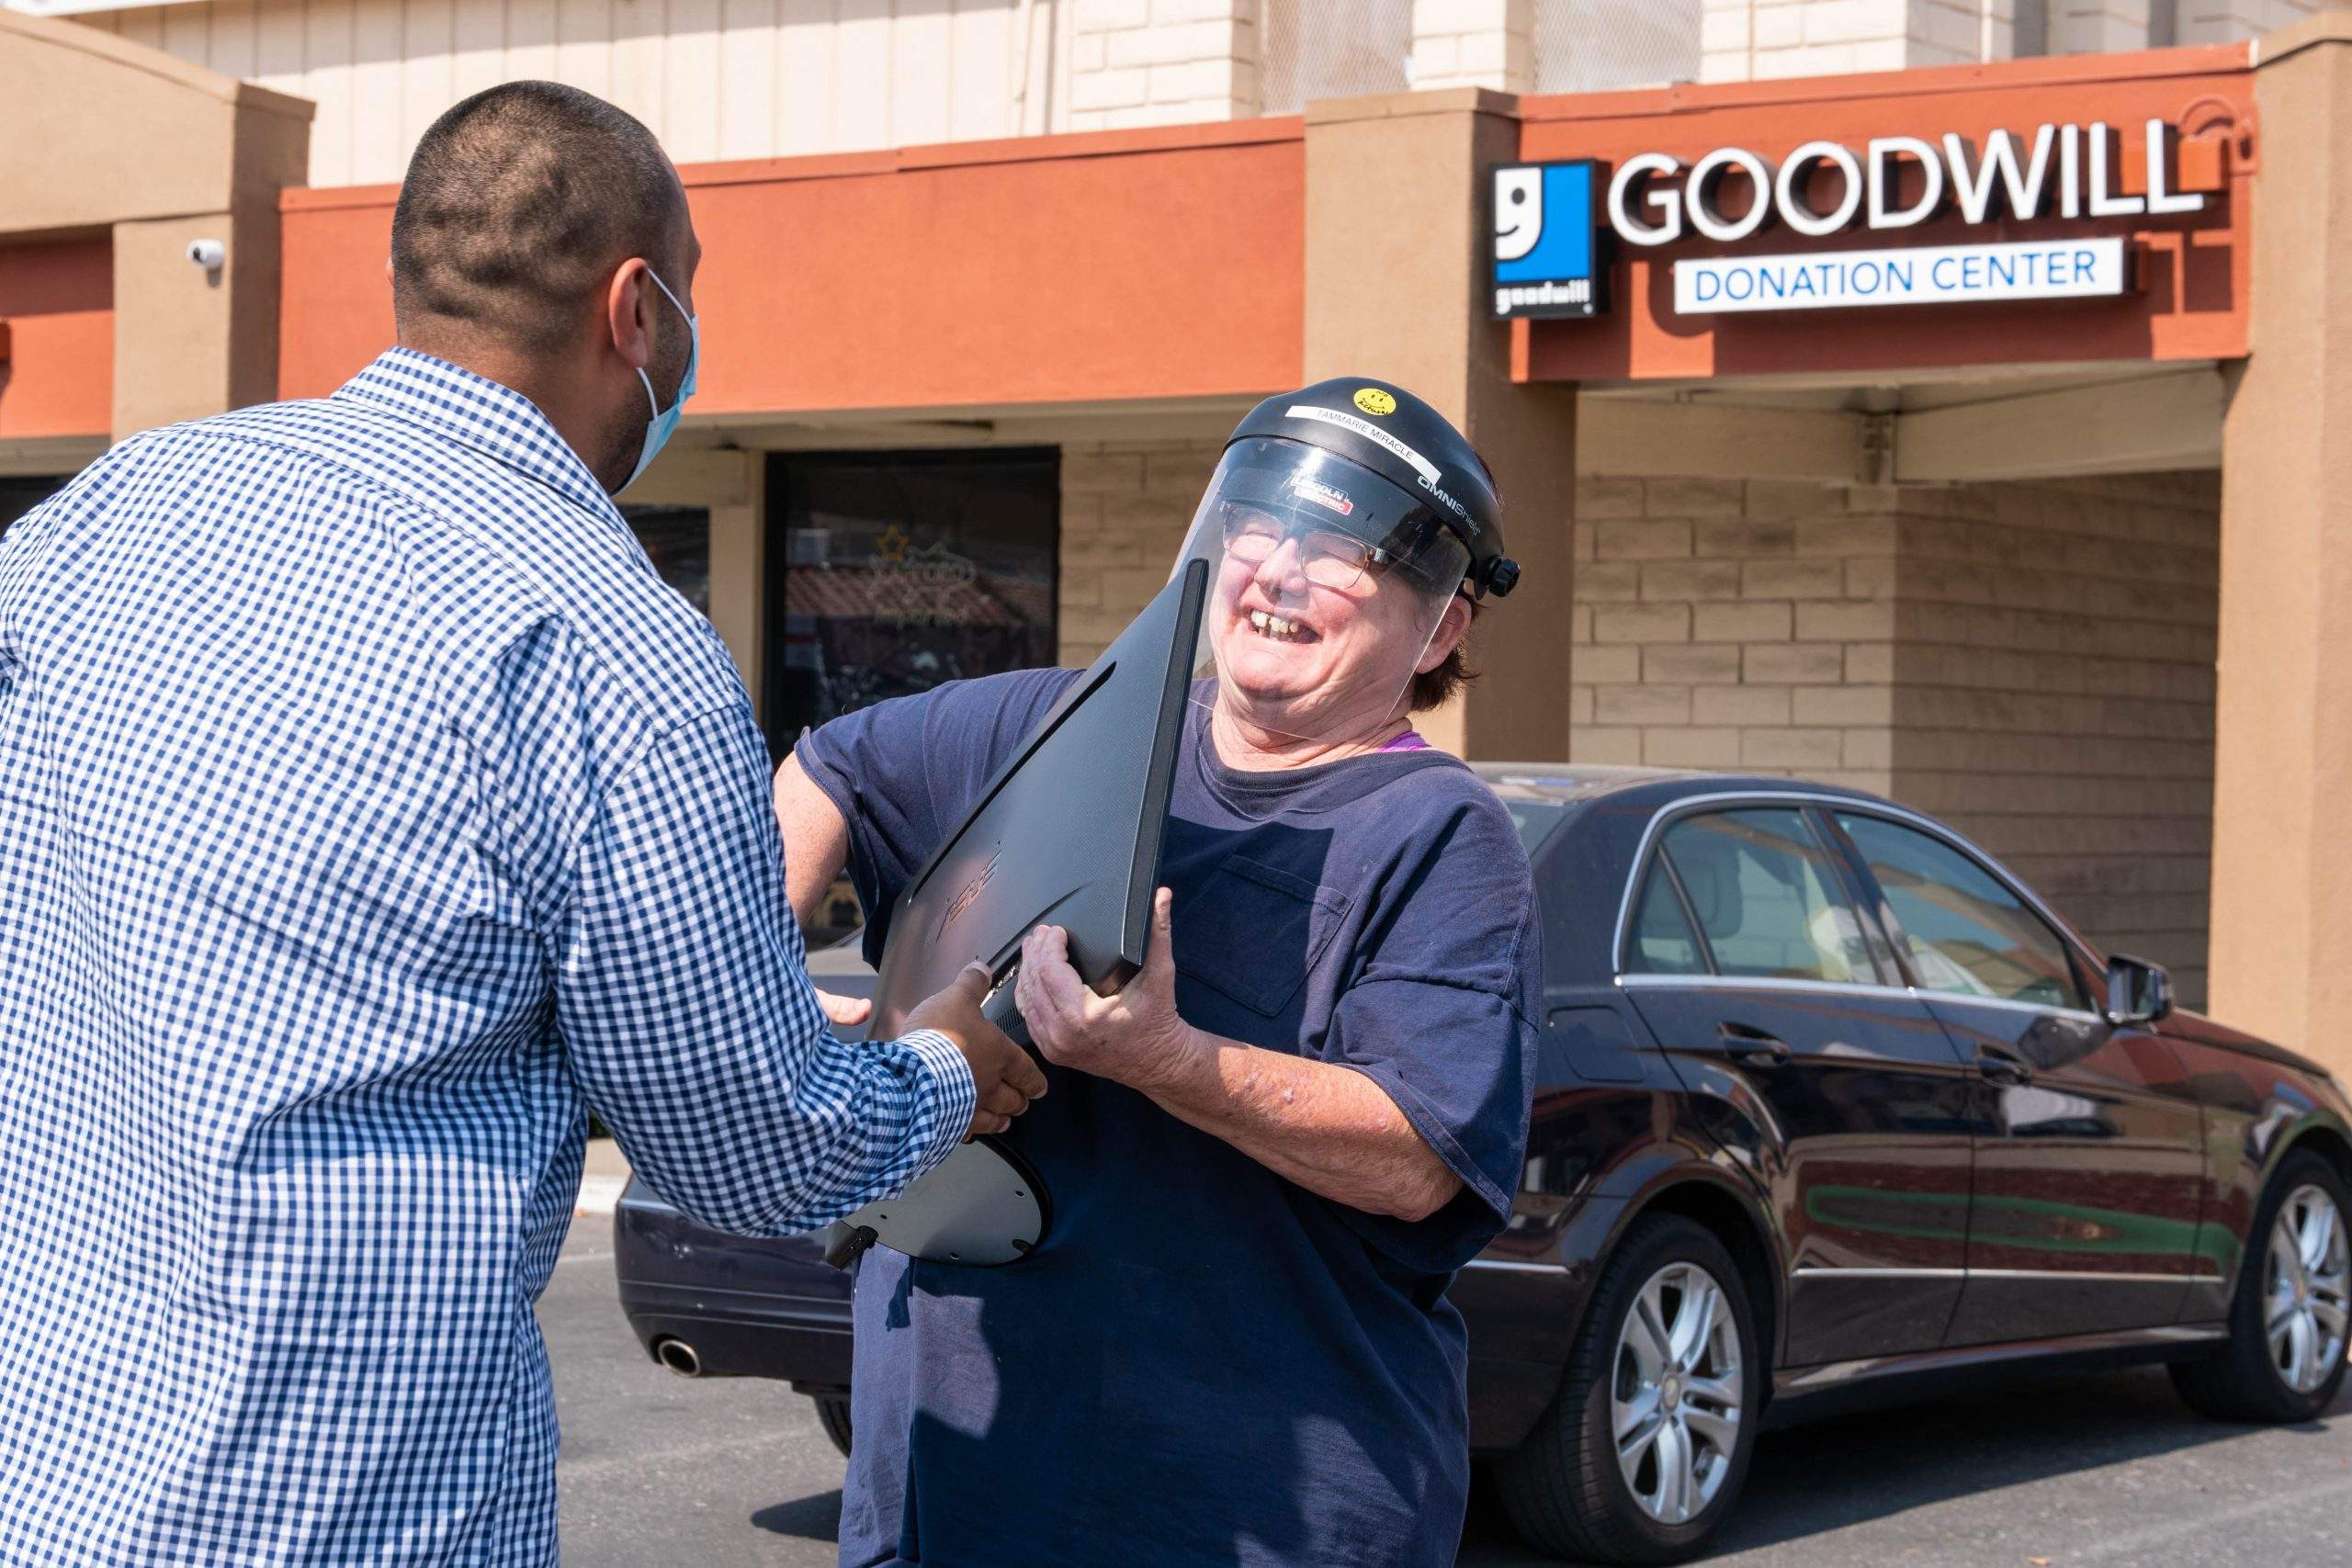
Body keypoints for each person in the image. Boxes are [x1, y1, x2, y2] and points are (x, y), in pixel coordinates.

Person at [0, 82, 1042, 1563]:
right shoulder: (617, 648)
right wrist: (943, 1064)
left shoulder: (117, 507)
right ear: (638, 309)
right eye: (693, 297)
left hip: (44, 1460)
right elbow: (750, 1149)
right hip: (329, 1503)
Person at [775, 379, 1542, 1568]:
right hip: (953, 1476)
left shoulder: (1439, 834)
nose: (1281, 574)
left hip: (1238, 1502)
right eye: (1265, 531)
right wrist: (759, 1001)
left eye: (1342, 554)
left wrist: (1171, 1064)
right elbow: (835, 768)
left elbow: (1420, 1163)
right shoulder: (1072, 725)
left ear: (1439, 630)